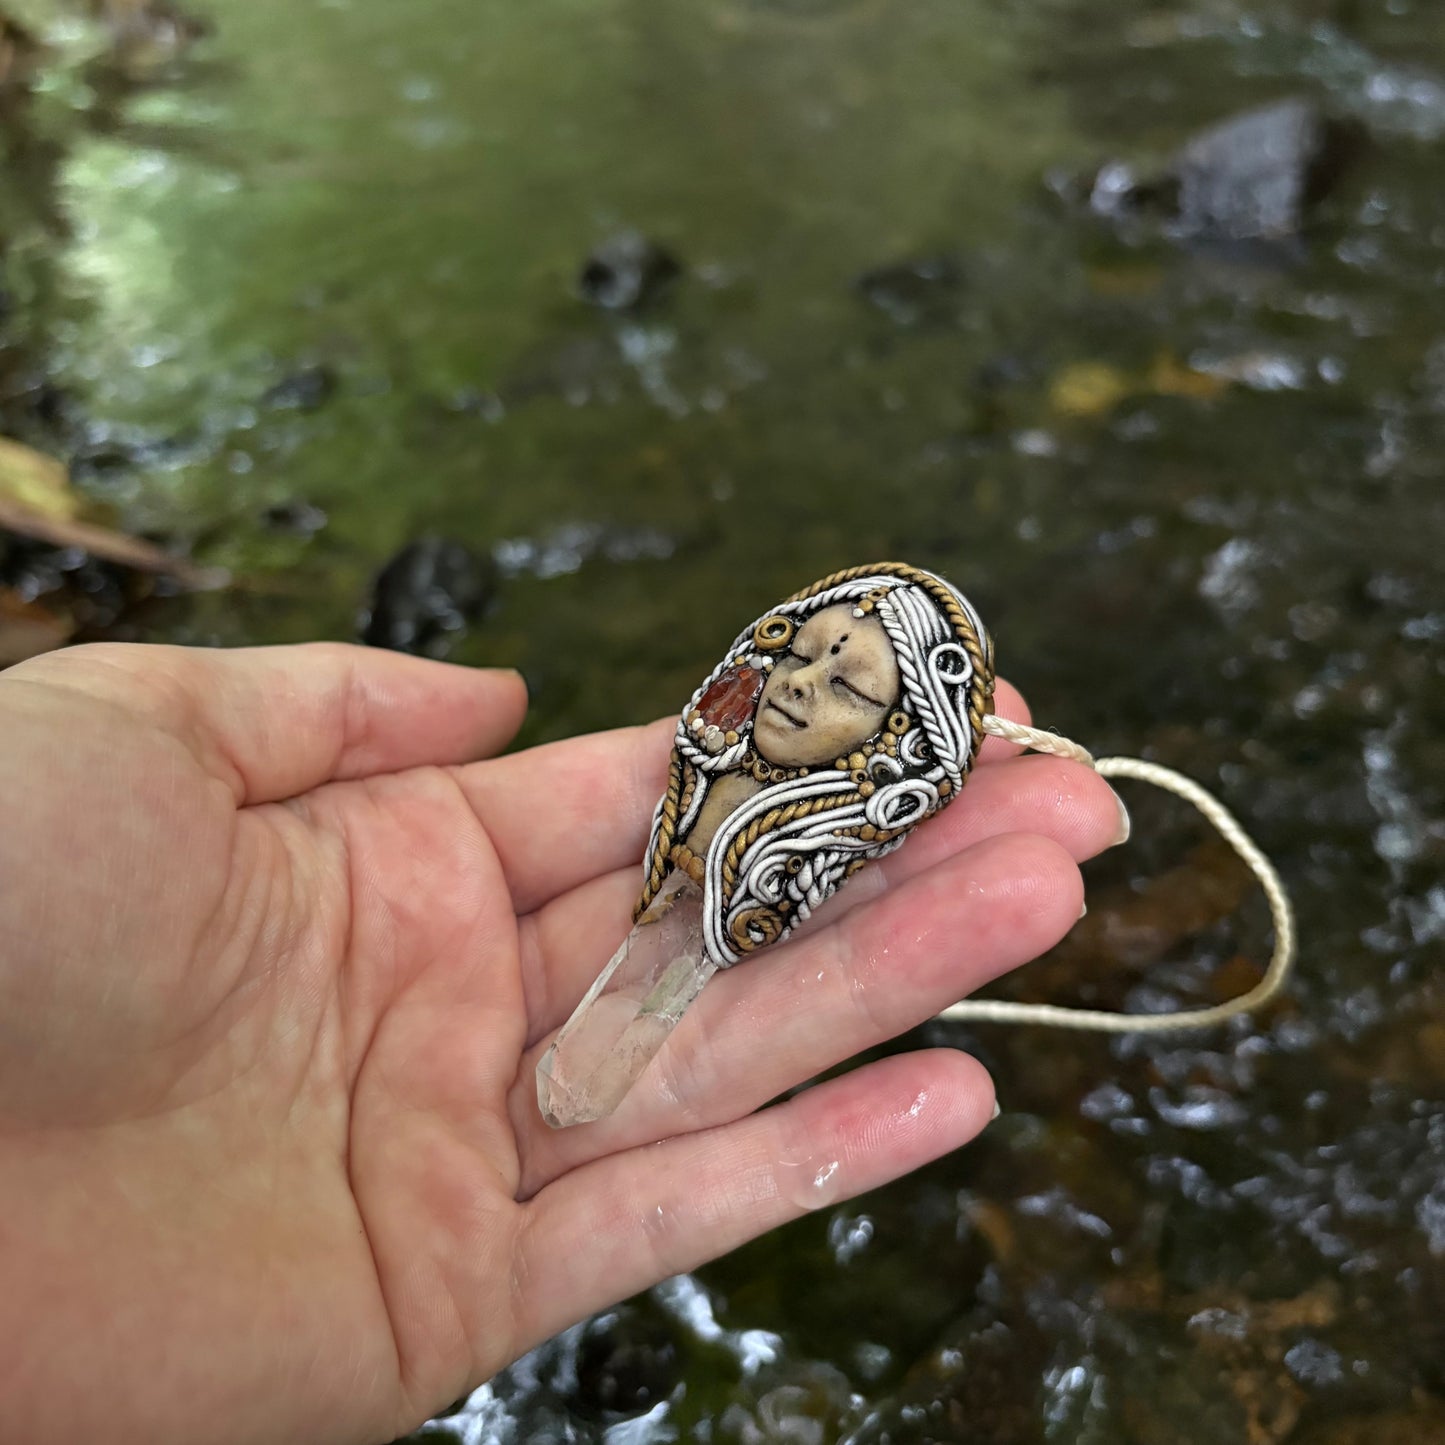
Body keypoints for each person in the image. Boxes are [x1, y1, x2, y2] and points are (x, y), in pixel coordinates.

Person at [0, 640, 1125, 1442]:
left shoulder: (787, 859)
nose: (796, 683)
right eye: (802, 652)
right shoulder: (696, 786)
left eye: (847, 684)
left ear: (884, 747)